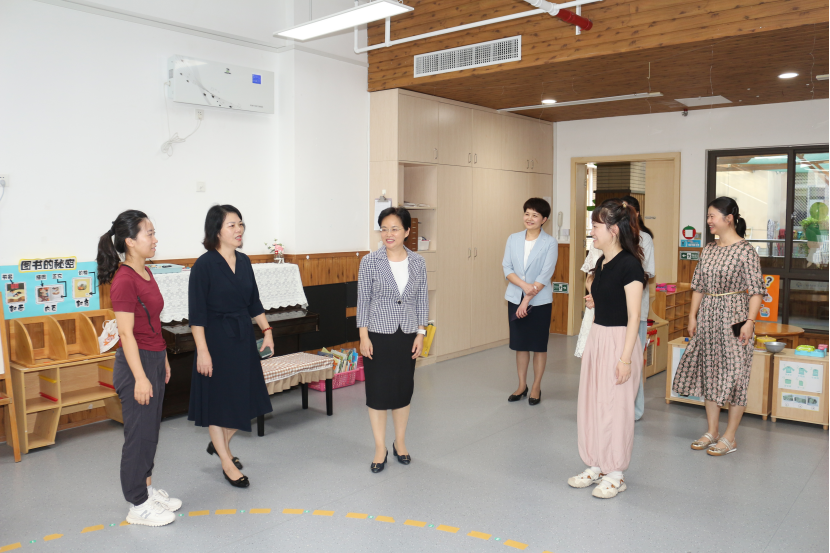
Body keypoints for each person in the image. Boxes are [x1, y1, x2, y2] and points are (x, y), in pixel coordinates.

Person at [98, 210, 181, 527]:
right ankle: (137, 504)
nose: (155, 239)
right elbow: (126, 333)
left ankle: (147, 491)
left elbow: (152, 323)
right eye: (150, 233)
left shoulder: (145, 271)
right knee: (138, 437)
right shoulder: (124, 280)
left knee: (150, 434)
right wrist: (141, 377)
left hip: (153, 358)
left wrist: (164, 358)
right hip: (136, 365)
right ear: (130, 241)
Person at [188, 205, 274, 487]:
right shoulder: (204, 265)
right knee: (219, 403)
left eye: (240, 224)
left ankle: (219, 444)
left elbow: (253, 302)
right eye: (232, 225)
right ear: (216, 231)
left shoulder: (245, 261)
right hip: (215, 341)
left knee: (246, 399)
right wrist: (202, 352)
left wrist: (267, 330)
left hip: (242, 338)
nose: (239, 230)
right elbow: (197, 315)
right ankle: (227, 462)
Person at [672, 197, 764, 456]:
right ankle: (712, 431)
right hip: (708, 317)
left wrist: (750, 321)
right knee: (710, 372)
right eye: (708, 216)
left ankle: (730, 436)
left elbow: (756, 291)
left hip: (736, 317)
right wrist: (692, 316)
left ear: (729, 218)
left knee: (736, 374)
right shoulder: (709, 249)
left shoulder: (746, 251)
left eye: (712, 216)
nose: (709, 221)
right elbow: (698, 286)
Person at [568, 199, 644, 499]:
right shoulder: (600, 263)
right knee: (593, 404)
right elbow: (608, 300)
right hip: (598, 338)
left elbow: (634, 316)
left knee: (616, 408)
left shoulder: (630, 265)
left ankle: (615, 473)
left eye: (596, 226)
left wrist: (625, 359)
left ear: (613, 230)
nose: (592, 232)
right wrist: (594, 300)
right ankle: (596, 464)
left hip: (619, 341)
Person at [358, 207, 428, 473]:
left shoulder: (418, 262)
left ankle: (400, 443)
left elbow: (422, 300)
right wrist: (363, 336)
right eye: (384, 228)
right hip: (377, 334)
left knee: (402, 391)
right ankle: (380, 447)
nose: (389, 234)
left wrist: (421, 333)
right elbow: (363, 301)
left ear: (407, 231)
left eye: (395, 228)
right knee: (377, 393)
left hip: (407, 333)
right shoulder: (369, 261)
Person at [502, 198, 558, 405]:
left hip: (540, 301)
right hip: (515, 297)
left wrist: (526, 299)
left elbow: (545, 274)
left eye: (535, 215)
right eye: (527, 213)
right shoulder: (513, 238)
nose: (530, 218)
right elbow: (507, 267)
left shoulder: (550, 242)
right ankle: (521, 385)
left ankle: (536, 387)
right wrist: (524, 287)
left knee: (538, 346)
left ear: (544, 219)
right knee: (521, 345)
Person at [619, 195, 656, 421]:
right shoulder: (613, 235)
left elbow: (647, 272)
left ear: (637, 214)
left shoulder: (644, 238)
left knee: (632, 358)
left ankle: (635, 409)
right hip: (613, 311)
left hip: (636, 308)